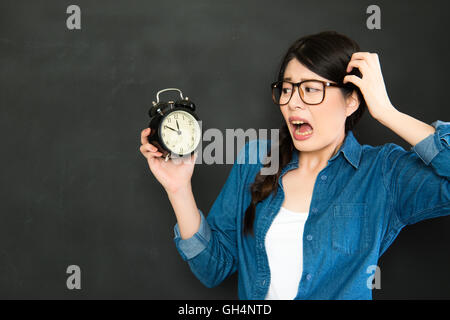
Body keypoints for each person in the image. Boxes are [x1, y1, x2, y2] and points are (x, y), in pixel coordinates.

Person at [139, 31, 449, 300]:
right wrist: (179, 189)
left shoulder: (383, 172)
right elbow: (213, 269)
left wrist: (386, 111)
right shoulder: (255, 160)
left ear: (352, 100)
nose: (292, 102)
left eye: (310, 89)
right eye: (286, 89)